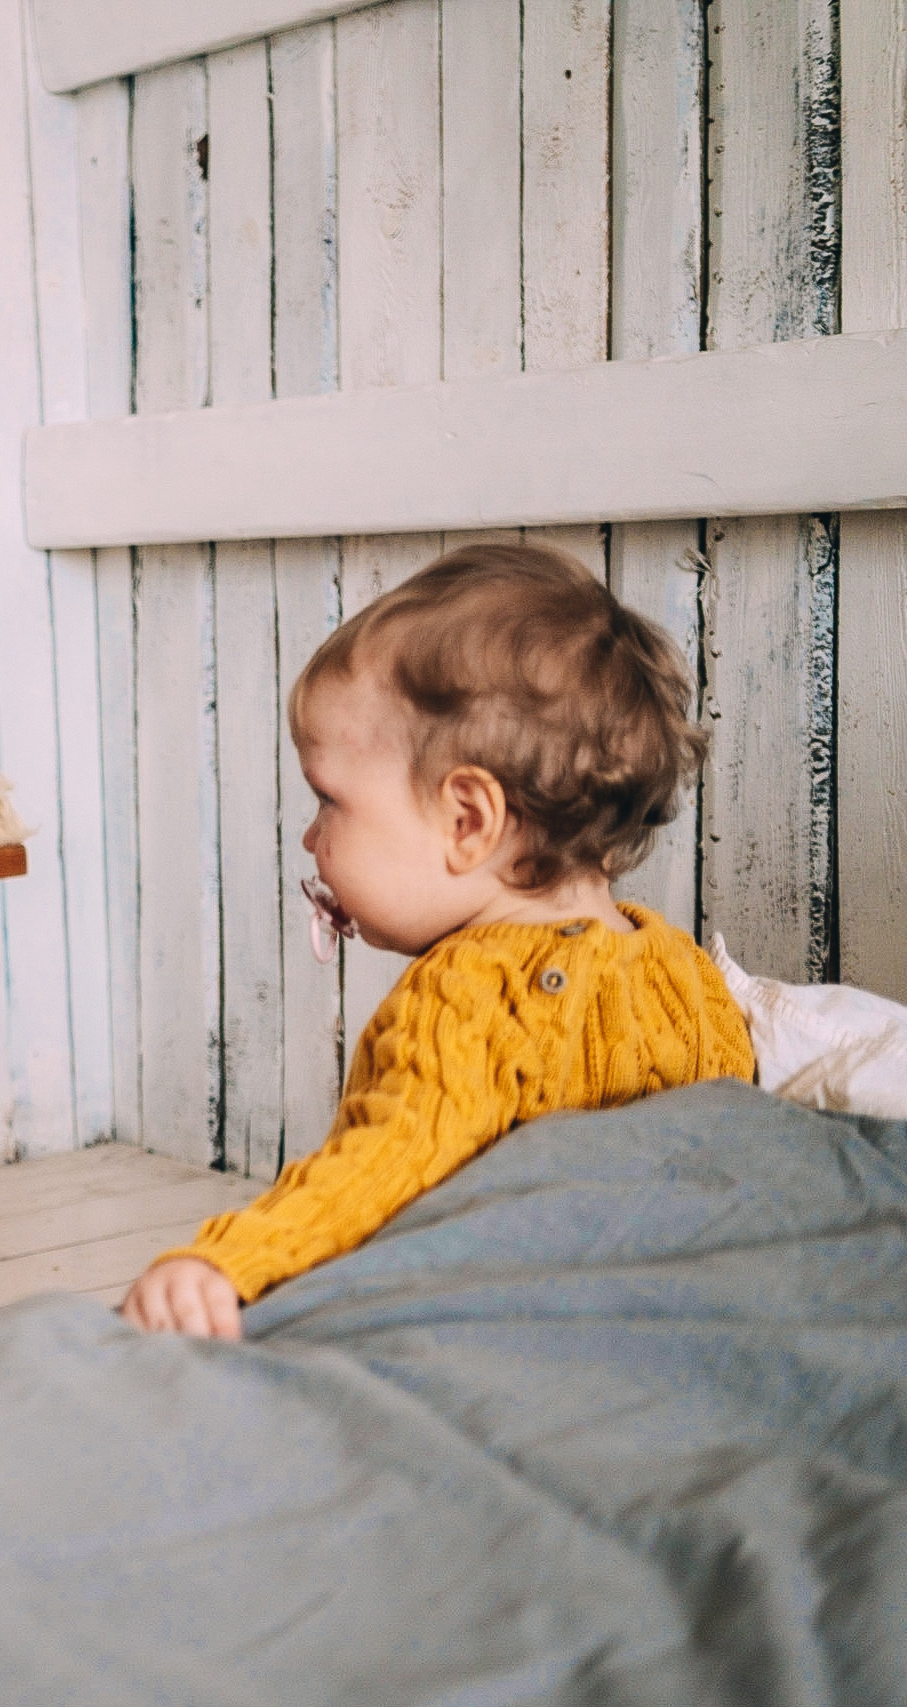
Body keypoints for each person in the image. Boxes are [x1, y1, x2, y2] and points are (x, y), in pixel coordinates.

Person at [120, 542, 754, 1340]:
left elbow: (378, 1167)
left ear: (467, 821)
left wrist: (227, 1260)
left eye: (328, 800)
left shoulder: (465, 998)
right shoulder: (682, 972)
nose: (310, 836)